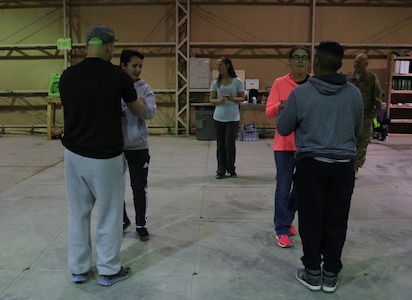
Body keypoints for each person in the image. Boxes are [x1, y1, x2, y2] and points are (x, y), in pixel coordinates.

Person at [59, 25, 144, 286]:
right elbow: (138, 109)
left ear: (87, 46)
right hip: (105, 156)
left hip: (73, 154)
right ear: (109, 46)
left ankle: (79, 269)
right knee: (108, 213)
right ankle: (108, 270)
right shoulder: (118, 76)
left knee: (78, 213)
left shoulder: (67, 75)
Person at [277, 41, 363, 293]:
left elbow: (283, 128)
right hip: (343, 166)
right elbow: (357, 130)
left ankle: (312, 272)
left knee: (311, 219)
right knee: (337, 219)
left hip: (311, 165)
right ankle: (331, 273)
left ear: (315, 63)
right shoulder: (353, 93)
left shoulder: (300, 94)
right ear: (339, 65)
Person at [265, 45, 311, 248]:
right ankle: (281, 228)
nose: (300, 61)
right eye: (296, 57)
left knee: (302, 189)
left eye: (304, 57)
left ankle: (288, 216)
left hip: (308, 146)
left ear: (309, 61)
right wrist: (283, 104)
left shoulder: (315, 83)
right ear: (289, 61)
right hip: (284, 145)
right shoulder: (279, 83)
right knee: (283, 188)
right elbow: (269, 111)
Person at [120, 50, 157, 241]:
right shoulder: (114, 85)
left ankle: (141, 223)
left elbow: (151, 113)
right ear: (123, 65)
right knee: (115, 187)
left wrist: (141, 106)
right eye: (134, 65)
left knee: (139, 187)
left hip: (138, 146)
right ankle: (122, 219)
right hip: (116, 147)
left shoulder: (144, 88)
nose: (137, 69)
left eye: (140, 66)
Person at [346, 53, 383, 176]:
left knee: (362, 145)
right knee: (348, 143)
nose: (356, 65)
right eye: (355, 62)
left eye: (360, 63)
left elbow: (377, 100)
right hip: (349, 118)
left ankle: (355, 168)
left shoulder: (371, 79)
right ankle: (347, 166)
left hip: (365, 119)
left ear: (366, 65)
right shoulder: (347, 78)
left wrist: (371, 116)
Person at [209, 57, 245, 179]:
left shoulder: (237, 82)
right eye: (217, 65)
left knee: (229, 144)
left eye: (220, 65)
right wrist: (219, 100)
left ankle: (231, 168)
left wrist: (232, 98)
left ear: (228, 66)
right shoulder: (215, 83)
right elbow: (211, 100)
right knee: (220, 145)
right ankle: (221, 169)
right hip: (218, 117)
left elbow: (242, 98)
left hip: (233, 118)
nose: (218, 67)